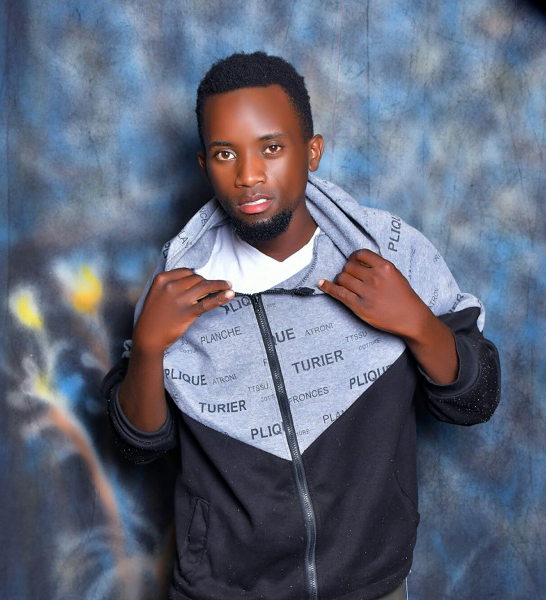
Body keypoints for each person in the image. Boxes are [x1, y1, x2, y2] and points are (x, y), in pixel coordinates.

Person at [102, 51, 500, 600]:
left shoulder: (388, 252)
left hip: (371, 587)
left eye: (271, 147)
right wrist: (147, 349)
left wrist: (416, 322)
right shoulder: (178, 282)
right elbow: (138, 448)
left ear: (312, 151)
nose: (248, 176)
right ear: (204, 164)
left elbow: (476, 400)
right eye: (225, 153)